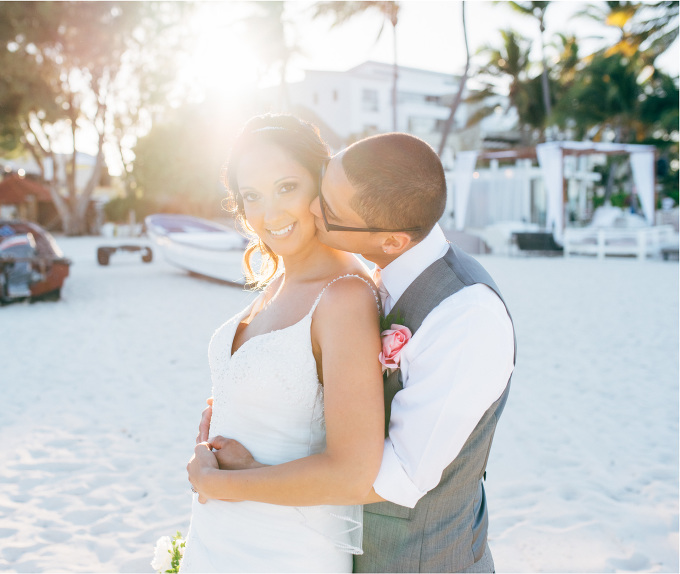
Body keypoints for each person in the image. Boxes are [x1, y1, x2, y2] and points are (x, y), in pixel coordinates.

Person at [191, 132, 516, 573]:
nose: (309, 210)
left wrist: (242, 479)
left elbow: (391, 475)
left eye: (326, 208)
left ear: (392, 241)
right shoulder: (376, 280)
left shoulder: (465, 316)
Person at [178, 114, 385, 573]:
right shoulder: (276, 283)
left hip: (286, 551)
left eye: (286, 187)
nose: (269, 215)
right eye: (252, 196)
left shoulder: (345, 297)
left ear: (321, 182)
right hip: (216, 540)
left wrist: (221, 485)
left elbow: (353, 474)